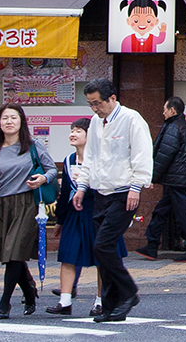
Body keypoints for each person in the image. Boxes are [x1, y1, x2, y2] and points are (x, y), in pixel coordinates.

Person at [76, 77, 151, 324]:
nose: (95, 109)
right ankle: (111, 305)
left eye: (98, 103)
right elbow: (91, 158)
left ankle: (128, 293)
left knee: (104, 245)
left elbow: (142, 154)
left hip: (124, 192)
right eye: (90, 104)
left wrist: (136, 187)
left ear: (112, 98)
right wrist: (82, 187)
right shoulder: (96, 123)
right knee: (102, 250)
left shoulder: (131, 119)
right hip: (101, 191)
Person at [0, 102, 53, 319]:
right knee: (9, 254)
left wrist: (43, 178)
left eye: (14, 118)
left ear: (21, 122)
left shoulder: (33, 145)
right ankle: (29, 291)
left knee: (14, 251)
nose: (9, 122)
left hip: (26, 203)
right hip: (1, 205)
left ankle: (4, 302)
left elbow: (52, 169)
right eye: (5, 118)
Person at [46, 119, 124, 316]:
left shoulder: (101, 158)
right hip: (74, 214)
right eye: (71, 131)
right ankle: (64, 302)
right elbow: (64, 193)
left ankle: (100, 301)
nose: (73, 134)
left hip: (98, 213)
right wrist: (60, 220)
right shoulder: (68, 160)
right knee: (67, 256)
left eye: (78, 131)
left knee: (101, 258)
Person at [139, 97, 186, 262]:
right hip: (180, 178)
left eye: (165, 110)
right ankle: (151, 245)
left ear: (172, 111)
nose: (163, 113)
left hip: (176, 179)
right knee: (162, 211)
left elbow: (164, 155)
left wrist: (152, 177)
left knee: (181, 214)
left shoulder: (173, 127)